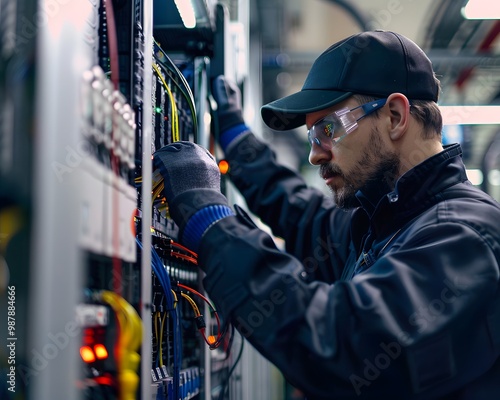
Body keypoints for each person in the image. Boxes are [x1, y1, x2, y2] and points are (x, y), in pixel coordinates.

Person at [153, 30, 500, 399]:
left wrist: (210, 219)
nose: (316, 154)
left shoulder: (464, 235)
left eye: (328, 129)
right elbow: (304, 216)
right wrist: (239, 144)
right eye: (312, 137)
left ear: (396, 116)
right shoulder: (385, 223)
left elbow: (342, 341)